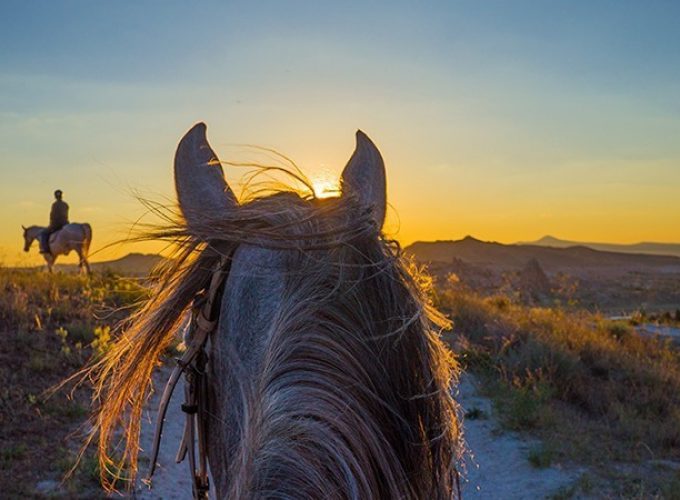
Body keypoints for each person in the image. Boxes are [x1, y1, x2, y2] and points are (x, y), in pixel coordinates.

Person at [39, 189, 70, 254]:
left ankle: (45, 249)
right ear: (61, 196)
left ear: (55, 196)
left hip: (56, 224)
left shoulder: (54, 204)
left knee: (43, 233)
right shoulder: (65, 204)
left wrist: (51, 223)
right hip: (66, 223)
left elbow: (53, 215)